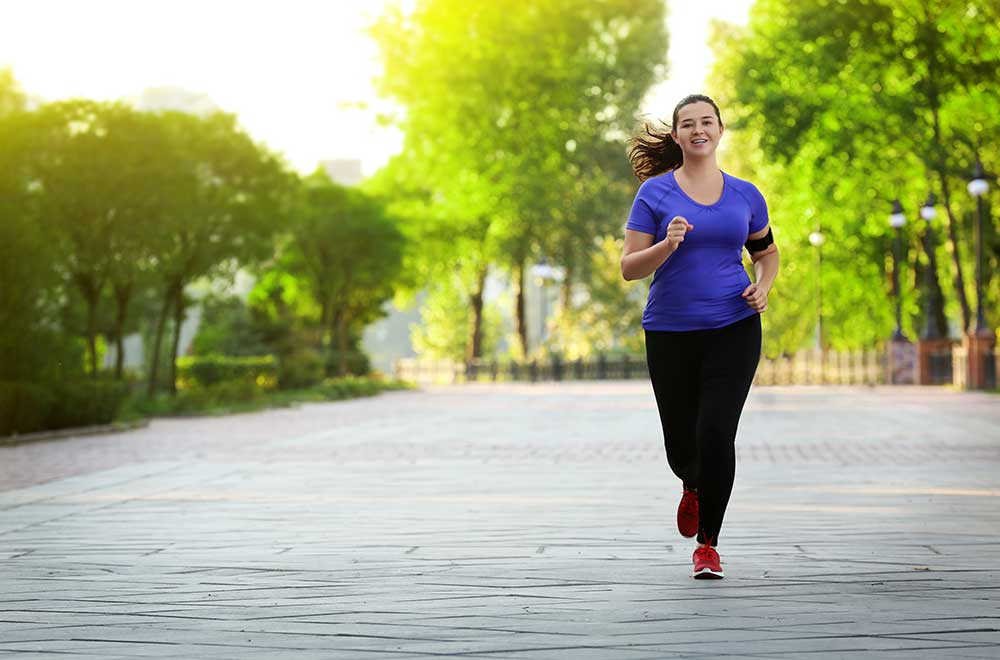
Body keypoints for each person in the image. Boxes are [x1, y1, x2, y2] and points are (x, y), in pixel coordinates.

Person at [620, 94, 779, 579]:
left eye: (706, 121)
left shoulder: (745, 195)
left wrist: (763, 288)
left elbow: (766, 253)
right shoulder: (654, 195)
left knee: (716, 432)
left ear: (719, 129)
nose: (697, 130)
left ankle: (708, 544)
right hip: (670, 331)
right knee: (680, 443)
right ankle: (691, 482)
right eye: (687, 124)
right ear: (676, 136)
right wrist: (667, 244)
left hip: (734, 326)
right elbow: (629, 268)